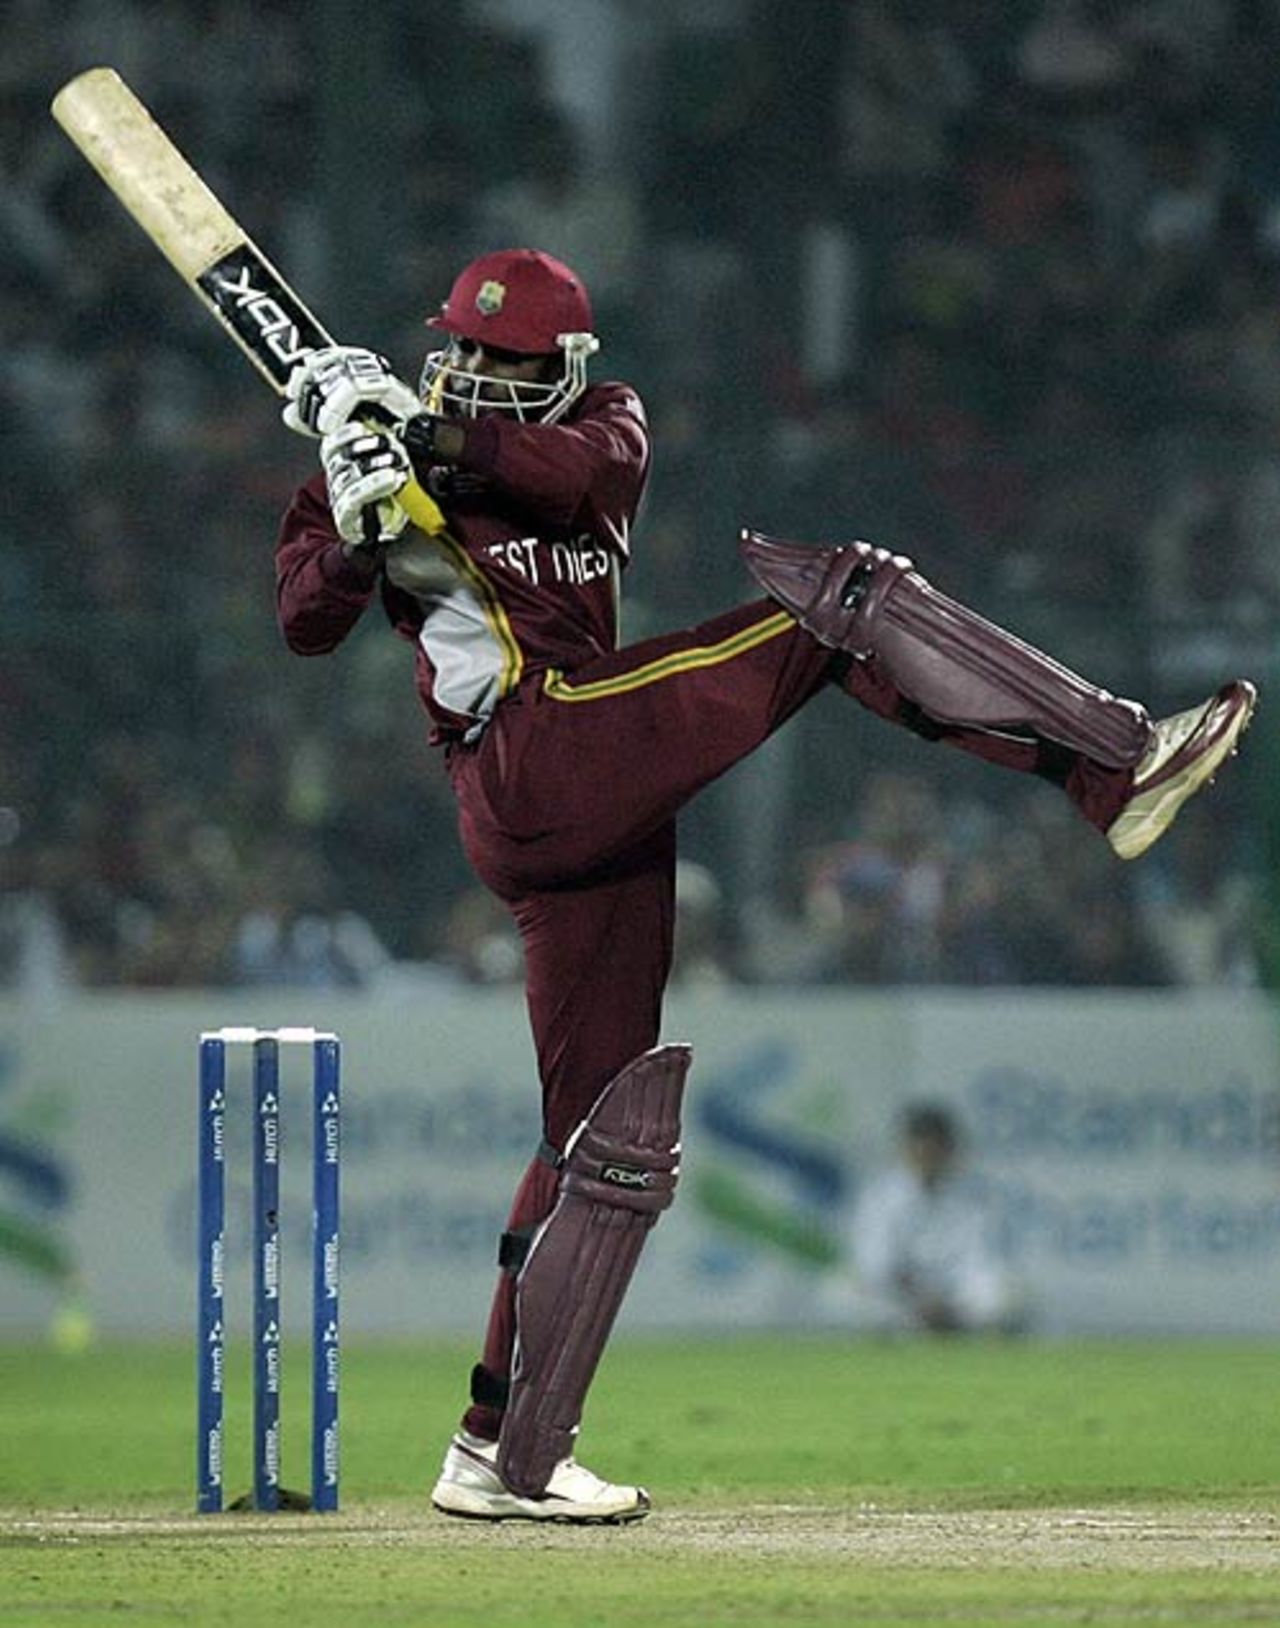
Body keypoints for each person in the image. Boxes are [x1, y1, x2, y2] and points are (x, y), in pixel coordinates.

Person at [275, 246, 1255, 1523]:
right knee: (837, 602)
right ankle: (1112, 762)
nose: (474, 371)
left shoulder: (599, 420)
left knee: (605, 1137)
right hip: (528, 752)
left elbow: (572, 478)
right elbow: (301, 621)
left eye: (501, 358)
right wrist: (356, 537)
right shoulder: (363, 458)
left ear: (560, 364)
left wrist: (420, 435)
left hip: (592, 780)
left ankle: (503, 1451)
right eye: (462, 349)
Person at [841, 1103, 1025, 1334]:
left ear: (949, 1150)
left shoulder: (974, 1197)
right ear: (906, 1149)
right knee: (845, 1296)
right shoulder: (881, 1197)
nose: (927, 1155)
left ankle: (943, 1330)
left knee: (1004, 1297)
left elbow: (982, 1262)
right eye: (920, 1147)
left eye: (934, 1148)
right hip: (901, 1299)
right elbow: (877, 1263)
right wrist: (919, 1298)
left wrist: (947, 1302)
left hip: (956, 1300)